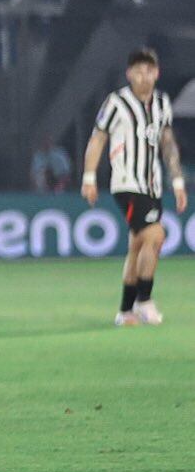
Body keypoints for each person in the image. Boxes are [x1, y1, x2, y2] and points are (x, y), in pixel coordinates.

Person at [83, 47, 186, 326]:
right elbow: (98, 139)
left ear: (157, 73)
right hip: (126, 184)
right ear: (129, 74)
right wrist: (89, 177)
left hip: (152, 186)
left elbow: (167, 144)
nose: (144, 76)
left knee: (139, 246)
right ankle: (145, 301)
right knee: (156, 235)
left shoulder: (162, 103)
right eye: (138, 71)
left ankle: (125, 312)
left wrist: (177, 181)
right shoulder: (116, 102)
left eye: (149, 71)